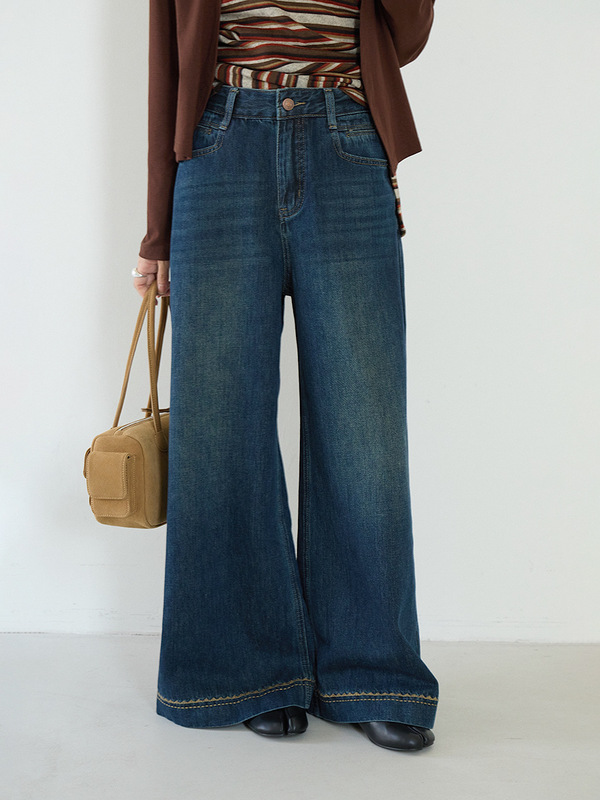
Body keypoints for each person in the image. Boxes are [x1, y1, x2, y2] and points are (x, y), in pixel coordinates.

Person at [132, 0, 439, 752]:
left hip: (347, 139)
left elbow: (410, 32)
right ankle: (242, 671)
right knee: (221, 428)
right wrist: (158, 229)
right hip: (219, 142)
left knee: (365, 429)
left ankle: (373, 673)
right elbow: (167, 60)